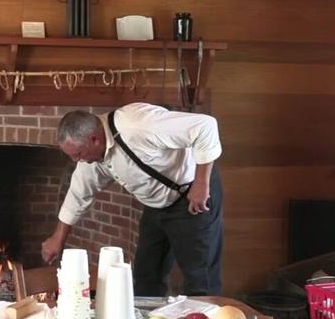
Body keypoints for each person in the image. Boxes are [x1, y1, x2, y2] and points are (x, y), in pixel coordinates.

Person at [40, 102, 223, 296]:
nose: (76, 161)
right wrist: (57, 238)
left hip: (191, 194)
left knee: (200, 278)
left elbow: (205, 126)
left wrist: (202, 183)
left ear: (94, 139)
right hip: (155, 204)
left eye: (77, 155)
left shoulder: (137, 125)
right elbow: (79, 193)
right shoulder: (92, 155)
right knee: (146, 275)